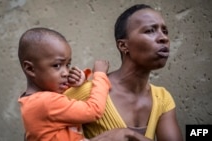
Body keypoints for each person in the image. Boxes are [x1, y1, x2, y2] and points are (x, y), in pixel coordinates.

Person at [65, 4, 183, 141]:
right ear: (123, 45)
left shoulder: (162, 99)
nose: (164, 38)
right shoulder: (88, 93)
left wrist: (128, 135)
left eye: (165, 31)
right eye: (150, 30)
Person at [17, 27, 111, 141]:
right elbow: (94, 110)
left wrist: (77, 83)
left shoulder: (34, 100)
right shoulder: (46, 102)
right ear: (30, 69)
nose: (66, 72)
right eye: (57, 65)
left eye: (67, 65)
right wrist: (100, 75)